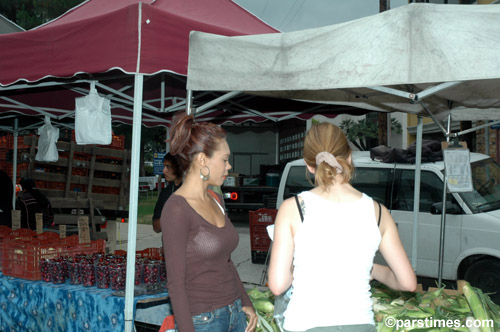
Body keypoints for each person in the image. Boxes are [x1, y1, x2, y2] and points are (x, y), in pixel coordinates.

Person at [268, 122, 416, 332]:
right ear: (349, 158)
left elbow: (277, 284)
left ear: (309, 165)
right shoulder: (378, 212)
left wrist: (299, 266)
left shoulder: (293, 208)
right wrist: (372, 270)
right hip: (360, 324)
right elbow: (408, 283)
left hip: (304, 324)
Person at [161, 113, 257, 332]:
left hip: (234, 312)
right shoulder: (176, 209)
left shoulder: (216, 199)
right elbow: (175, 284)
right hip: (204, 320)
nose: (229, 166)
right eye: (224, 159)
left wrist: (246, 302)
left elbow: (227, 261)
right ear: (202, 160)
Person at [152, 153, 183, 233]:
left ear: (179, 167)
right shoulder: (166, 192)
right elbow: (156, 227)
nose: (164, 171)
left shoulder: (193, 189)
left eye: (168, 167)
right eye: (164, 166)